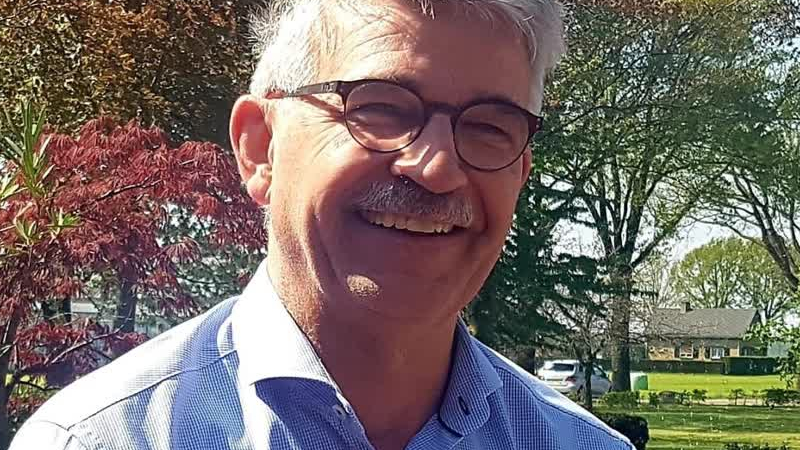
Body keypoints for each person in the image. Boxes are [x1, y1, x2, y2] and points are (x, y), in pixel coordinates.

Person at [11, 0, 635, 449]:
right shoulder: (99, 438)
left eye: (490, 126)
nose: (438, 167)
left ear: (521, 172)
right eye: (381, 107)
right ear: (261, 148)